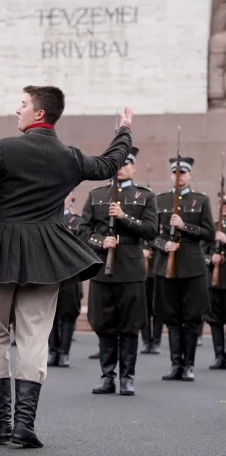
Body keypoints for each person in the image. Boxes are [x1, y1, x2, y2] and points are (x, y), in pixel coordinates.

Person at [0, 86, 133, 448]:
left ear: (38, 114)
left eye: (22, 105)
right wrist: (124, 132)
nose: (16, 110)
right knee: (35, 338)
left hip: (2, 251)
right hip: (46, 255)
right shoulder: (69, 156)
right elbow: (109, 164)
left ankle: (1, 424)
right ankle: (24, 426)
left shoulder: (5, 147)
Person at [78, 149, 157, 395]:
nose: (121, 167)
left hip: (131, 268)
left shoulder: (145, 196)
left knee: (130, 325)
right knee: (105, 324)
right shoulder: (96, 194)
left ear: (134, 167)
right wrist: (101, 241)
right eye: (118, 163)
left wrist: (125, 218)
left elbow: (152, 231)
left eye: (127, 164)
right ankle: (107, 376)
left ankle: (127, 378)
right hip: (103, 268)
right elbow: (82, 231)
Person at [151, 157, 214, 382]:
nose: (179, 176)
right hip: (167, 264)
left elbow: (209, 233)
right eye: (175, 172)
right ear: (171, 175)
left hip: (192, 265)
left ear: (190, 175)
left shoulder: (201, 200)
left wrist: (184, 226)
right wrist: (163, 244)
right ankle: (175, 364)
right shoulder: (160, 200)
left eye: (183, 173)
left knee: (191, 317)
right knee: (172, 317)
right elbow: (151, 235)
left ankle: (188, 365)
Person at [47, 192, 83, 368]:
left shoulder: (76, 221)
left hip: (70, 274)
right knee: (50, 314)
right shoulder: (45, 217)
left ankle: (64, 352)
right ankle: (52, 351)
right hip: (49, 273)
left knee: (67, 315)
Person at [205, 195, 226, 370]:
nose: (224, 207)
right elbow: (202, 252)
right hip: (215, 280)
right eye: (222, 204)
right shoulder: (212, 227)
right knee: (215, 319)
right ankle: (219, 355)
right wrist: (211, 259)